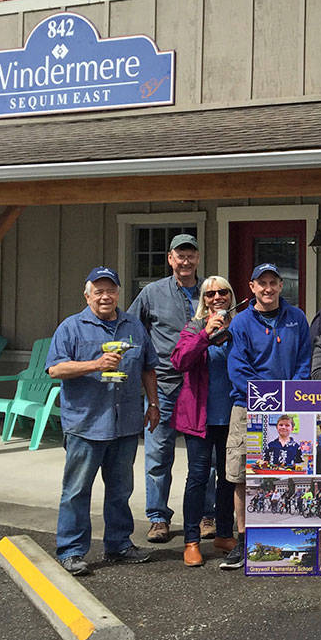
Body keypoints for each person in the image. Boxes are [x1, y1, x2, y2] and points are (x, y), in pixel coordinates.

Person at [46, 266, 160, 576]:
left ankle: (118, 545)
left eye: (110, 290)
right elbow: (55, 370)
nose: (105, 296)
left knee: (121, 489)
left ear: (119, 293)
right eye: (99, 291)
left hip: (125, 424)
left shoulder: (134, 327)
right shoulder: (71, 327)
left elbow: (149, 368)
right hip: (86, 424)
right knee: (76, 491)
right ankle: (71, 550)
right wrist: (95, 364)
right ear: (87, 296)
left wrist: (153, 404)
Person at [224, 262, 312, 570]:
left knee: (286, 473)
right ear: (251, 287)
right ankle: (243, 538)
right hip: (247, 405)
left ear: (280, 286)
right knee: (243, 476)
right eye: (262, 283)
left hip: (289, 406)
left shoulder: (296, 318)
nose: (268, 289)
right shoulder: (240, 323)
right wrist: (266, 397)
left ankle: (281, 533)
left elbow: (304, 360)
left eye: (274, 282)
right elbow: (238, 369)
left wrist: (291, 394)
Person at [126, 233, 202, 544]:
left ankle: (206, 515)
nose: (185, 261)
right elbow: (132, 327)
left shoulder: (210, 291)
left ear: (197, 258)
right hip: (165, 386)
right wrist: (142, 365)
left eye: (190, 255)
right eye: (179, 256)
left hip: (200, 387)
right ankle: (158, 517)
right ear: (170, 259)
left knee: (203, 458)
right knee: (158, 454)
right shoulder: (151, 293)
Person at [170, 275, 239, 568]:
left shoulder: (239, 327)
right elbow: (179, 361)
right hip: (199, 416)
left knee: (228, 478)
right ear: (203, 299)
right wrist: (205, 334)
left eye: (223, 292)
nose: (217, 298)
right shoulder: (194, 327)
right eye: (210, 294)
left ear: (231, 295)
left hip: (232, 414)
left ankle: (224, 534)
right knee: (198, 477)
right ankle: (191, 540)